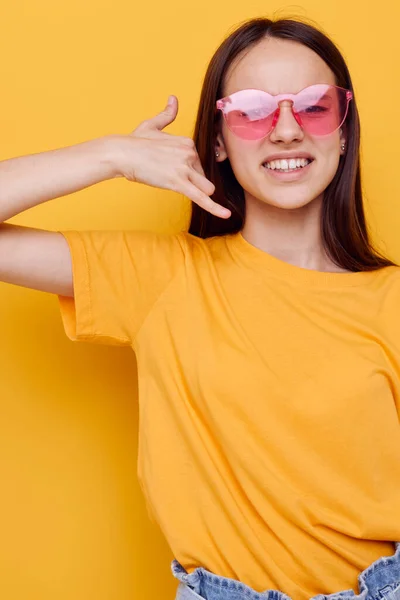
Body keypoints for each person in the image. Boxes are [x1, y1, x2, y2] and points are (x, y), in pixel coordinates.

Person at [0, 14, 399, 600]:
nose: (286, 130)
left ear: (343, 127)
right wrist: (111, 156)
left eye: (313, 105)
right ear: (217, 138)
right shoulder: (163, 277)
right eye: (253, 109)